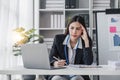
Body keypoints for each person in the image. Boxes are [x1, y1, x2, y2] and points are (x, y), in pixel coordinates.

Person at [48, 15, 93, 80]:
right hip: (61, 73)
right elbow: (51, 57)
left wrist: (86, 41)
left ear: (82, 30)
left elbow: (88, 62)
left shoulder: (86, 42)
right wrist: (55, 63)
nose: (74, 32)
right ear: (68, 28)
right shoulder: (58, 39)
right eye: (72, 28)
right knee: (57, 79)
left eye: (77, 29)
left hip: (78, 74)